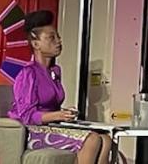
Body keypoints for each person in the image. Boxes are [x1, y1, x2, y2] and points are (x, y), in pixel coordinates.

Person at [9, 10, 113, 164]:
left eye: (58, 37)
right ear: (35, 44)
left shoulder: (55, 71)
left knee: (105, 140)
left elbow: (52, 106)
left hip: (52, 127)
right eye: (51, 38)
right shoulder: (28, 74)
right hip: (33, 132)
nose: (58, 41)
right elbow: (26, 116)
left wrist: (64, 113)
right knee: (91, 140)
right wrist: (57, 115)